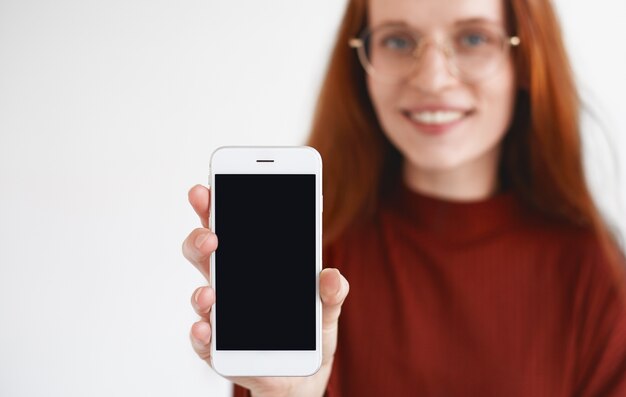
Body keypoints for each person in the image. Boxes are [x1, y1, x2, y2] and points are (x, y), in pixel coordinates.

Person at [182, 0, 626, 395]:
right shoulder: (312, 261)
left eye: (474, 37)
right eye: (398, 40)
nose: (432, 79)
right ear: (362, 61)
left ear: (524, 60)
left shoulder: (594, 274)